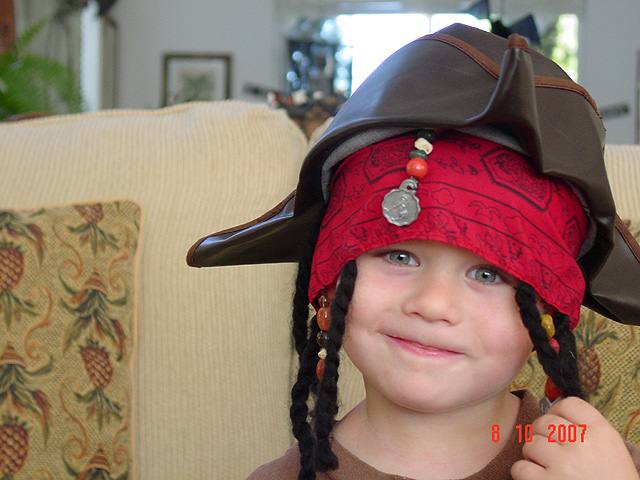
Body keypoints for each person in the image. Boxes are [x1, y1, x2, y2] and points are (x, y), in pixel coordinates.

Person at [187, 23, 640, 480]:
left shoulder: (607, 467)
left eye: (488, 274)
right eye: (399, 257)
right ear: (329, 278)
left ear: (548, 312)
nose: (432, 305)